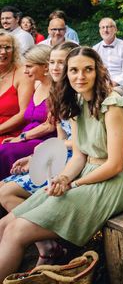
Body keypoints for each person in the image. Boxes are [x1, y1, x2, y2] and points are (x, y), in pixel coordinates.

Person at [0, 47, 123, 280]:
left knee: (17, 231)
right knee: (5, 223)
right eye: (74, 70)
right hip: (85, 171)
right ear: (67, 74)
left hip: (112, 181)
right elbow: (81, 155)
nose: (80, 76)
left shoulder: (113, 105)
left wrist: (74, 184)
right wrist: (63, 177)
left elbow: (115, 164)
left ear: (98, 71)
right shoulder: (76, 104)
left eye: (88, 70)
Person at [0, 42, 78, 263]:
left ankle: (44, 239)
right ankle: (43, 243)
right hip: (57, 149)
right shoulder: (55, 91)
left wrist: (32, 146)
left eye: (59, 63)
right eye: (52, 62)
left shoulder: (73, 95)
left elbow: (72, 139)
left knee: (5, 163)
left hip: (69, 156)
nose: (55, 67)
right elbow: (63, 136)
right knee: (3, 189)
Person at [0, 45, 56, 180]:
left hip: (44, 140)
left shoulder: (56, 90)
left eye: (29, 66)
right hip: (27, 136)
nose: (25, 71)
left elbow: (50, 126)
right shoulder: (37, 85)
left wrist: (21, 137)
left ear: (46, 67)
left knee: (4, 150)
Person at [0, 31, 34, 139]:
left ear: (14, 50)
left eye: (7, 47)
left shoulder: (23, 73)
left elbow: (24, 114)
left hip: (12, 133)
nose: (3, 52)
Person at [93, 18, 123, 95]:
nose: (105, 30)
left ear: (115, 29)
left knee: (110, 94)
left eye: (108, 27)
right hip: (101, 84)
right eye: (103, 27)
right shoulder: (95, 48)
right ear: (99, 31)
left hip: (121, 85)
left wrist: (112, 84)